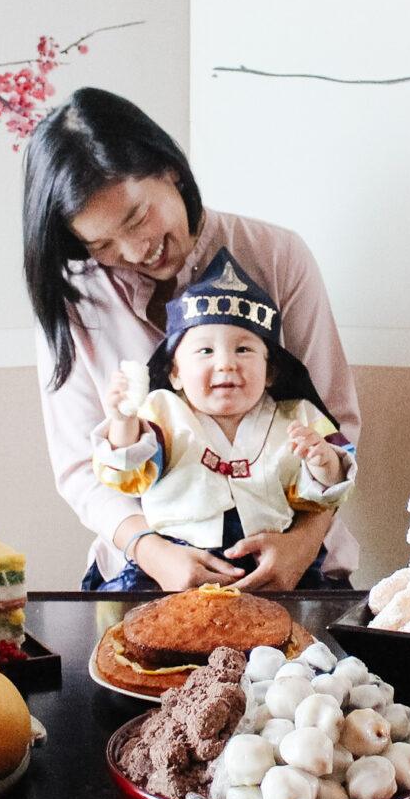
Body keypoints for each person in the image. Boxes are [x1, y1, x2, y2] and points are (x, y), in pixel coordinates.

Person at [22, 86, 361, 591]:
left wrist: (303, 544)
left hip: (294, 570)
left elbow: (336, 420)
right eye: (101, 244)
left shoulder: (276, 255)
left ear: (171, 170)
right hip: (142, 574)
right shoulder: (76, 300)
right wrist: (152, 551)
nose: (135, 251)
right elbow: (79, 468)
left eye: (137, 218)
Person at [90, 248, 356, 590]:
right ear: (174, 373)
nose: (226, 363)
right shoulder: (163, 412)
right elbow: (129, 474)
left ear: (271, 370)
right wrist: (122, 420)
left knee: (313, 621)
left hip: (268, 562)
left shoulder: (296, 417)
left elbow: (325, 492)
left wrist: (324, 463)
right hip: (177, 559)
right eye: (205, 351)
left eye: (243, 349)